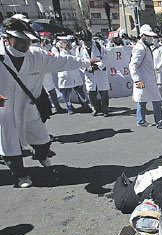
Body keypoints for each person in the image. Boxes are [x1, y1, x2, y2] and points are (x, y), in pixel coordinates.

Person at [0, 18, 96, 188]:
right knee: (10, 147)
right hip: (5, 112)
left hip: (28, 108)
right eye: (20, 40)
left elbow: (63, 61)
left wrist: (86, 62)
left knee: (42, 140)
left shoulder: (37, 55)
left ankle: (41, 155)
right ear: (7, 37)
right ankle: (21, 175)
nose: (25, 45)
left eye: (28, 41)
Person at [129, 24, 162, 129]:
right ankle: (159, 122)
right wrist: (137, 80)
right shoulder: (140, 48)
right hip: (144, 79)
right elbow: (133, 65)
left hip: (148, 78)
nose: (151, 38)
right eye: (148, 35)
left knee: (142, 100)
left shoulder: (145, 46)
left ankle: (141, 120)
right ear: (142, 35)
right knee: (156, 99)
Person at [76, 29, 110, 117]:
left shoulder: (99, 46)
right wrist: (86, 68)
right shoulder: (79, 49)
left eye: (89, 40)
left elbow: (105, 58)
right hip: (89, 74)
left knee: (104, 92)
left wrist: (98, 66)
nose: (88, 43)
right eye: (86, 41)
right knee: (91, 93)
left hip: (100, 73)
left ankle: (105, 109)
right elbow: (78, 62)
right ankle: (95, 108)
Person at [57, 37, 90, 114]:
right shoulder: (58, 50)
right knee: (66, 92)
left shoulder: (73, 50)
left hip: (74, 74)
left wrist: (71, 49)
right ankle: (69, 107)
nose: (68, 44)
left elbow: (77, 57)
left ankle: (85, 105)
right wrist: (64, 49)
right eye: (66, 43)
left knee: (79, 90)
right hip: (65, 75)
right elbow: (61, 57)